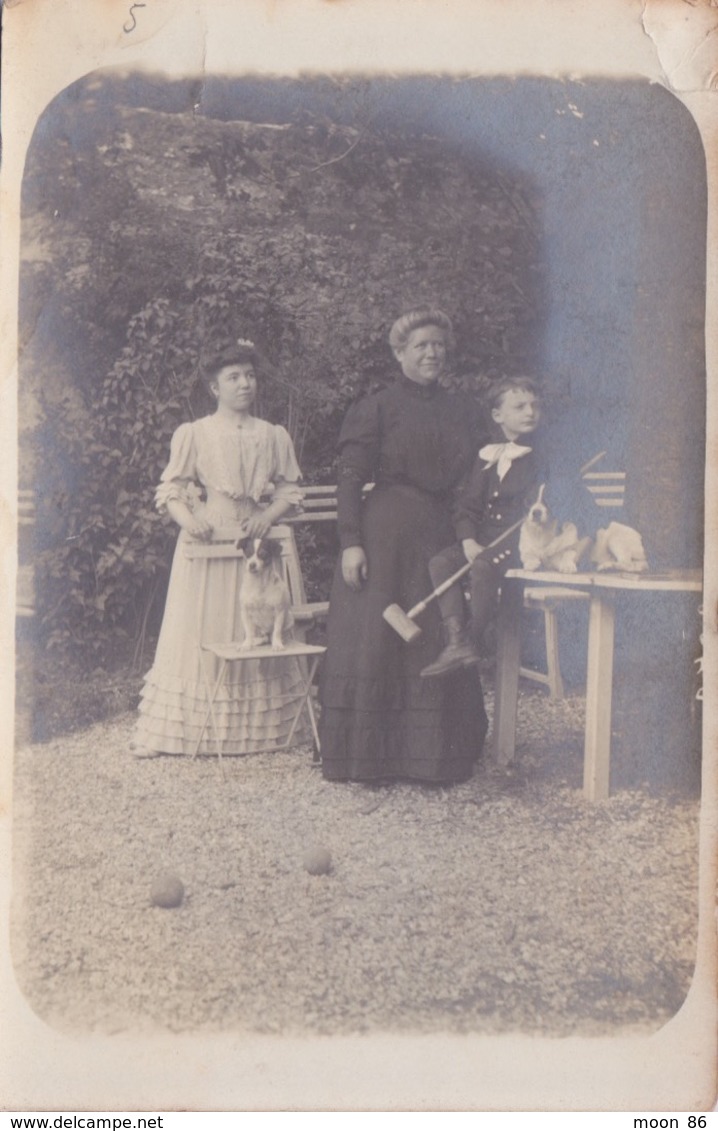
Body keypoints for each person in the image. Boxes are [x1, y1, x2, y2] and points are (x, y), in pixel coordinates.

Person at [318, 308, 489, 784]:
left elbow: (482, 476)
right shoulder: (376, 408)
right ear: (399, 354)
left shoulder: (465, 411)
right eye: (420, 346)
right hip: (385, 534)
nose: (431, 352)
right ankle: (370, 761)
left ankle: (434, 761)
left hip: (439, 535)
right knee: (379, 640)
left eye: (438, 344)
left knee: (438, 636)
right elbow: (350, 478)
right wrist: (351, 542)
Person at [134, 338, 306, 757]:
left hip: (256, 546)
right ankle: (177, 733)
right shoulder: (195, 433)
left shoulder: (272, 435)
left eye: (249, 376)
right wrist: (190, 520)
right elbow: (171, 489)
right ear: (215, 387)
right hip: (209, 539)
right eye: (233, 378)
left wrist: (267, 516)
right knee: (200, 629)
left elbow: (289, 490)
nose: (245, 384)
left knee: (261, 623)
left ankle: (264, 733)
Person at [420, 377, 545, 678]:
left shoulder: (543, 456)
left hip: (523, 542)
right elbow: (468, 506)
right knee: (441, 563)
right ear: (498, 415)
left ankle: (475, 641)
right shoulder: (489, 455)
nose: (530, 412)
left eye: (534, 406)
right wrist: (467, 541)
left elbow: (544, 507)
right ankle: (456, 641)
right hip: (486, 539)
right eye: (519, 406)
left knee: (484, 567)